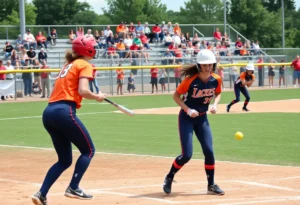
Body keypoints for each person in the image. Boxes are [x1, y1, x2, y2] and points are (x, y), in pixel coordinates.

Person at [31, 36, 106, 205]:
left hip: (49, 112)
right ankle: (74, 186)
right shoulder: (85, 65)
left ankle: (41, 194)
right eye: (93, 46)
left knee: (64, 160)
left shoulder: (69, 64)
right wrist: (97, 97)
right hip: (64, 111)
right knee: (89, 150)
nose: (95, 48)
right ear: (87, 49)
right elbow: (83, 90)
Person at [162, 50, 224, 196]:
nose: (208, 67)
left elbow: (219, 92)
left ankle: (211, 185)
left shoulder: (216, 79)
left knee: (209, 151)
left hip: (202, 118)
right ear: (199, 65)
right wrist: (188, 109)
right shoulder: (190, 80)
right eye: (205, 64)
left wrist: (215, 104)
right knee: (187, 155)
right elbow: (176, 96)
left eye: (210, 64)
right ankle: (169, 177)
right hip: (187, 118)